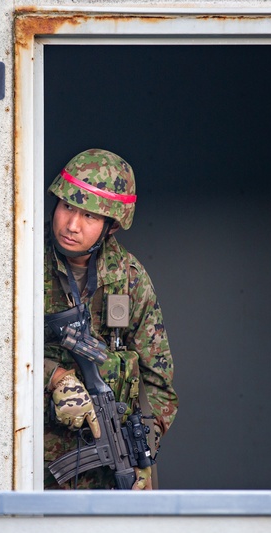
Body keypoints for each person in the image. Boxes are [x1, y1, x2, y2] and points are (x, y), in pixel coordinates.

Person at [43, 148, 178, 490]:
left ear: (111, 225)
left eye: (89, 216)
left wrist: (143, 454)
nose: (72, 225)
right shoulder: (20, 261)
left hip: (109, 471)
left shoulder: (129, 279)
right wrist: (54, 376)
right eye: (67, 207)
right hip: (34, 462)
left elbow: (159, 382)